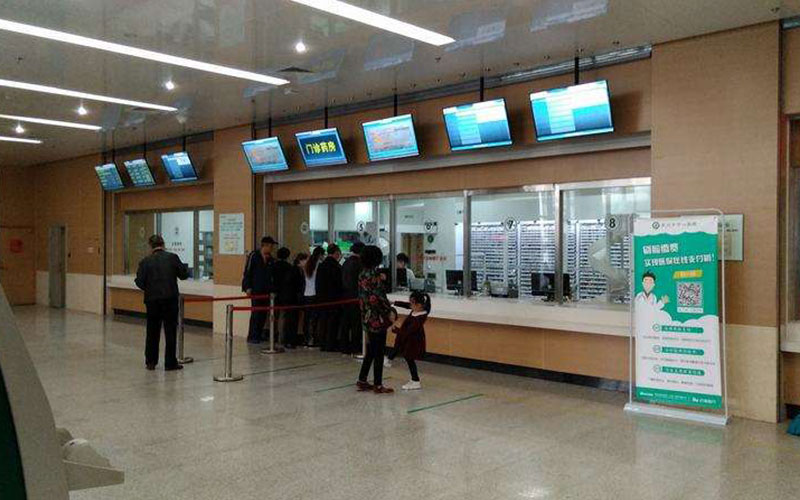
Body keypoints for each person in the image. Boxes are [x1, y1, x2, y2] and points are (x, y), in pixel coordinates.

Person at [134, 234, 189, 371]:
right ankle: (170, 363)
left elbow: (139, 282)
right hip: (170, 300)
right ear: (163, 244)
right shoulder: (172, 258)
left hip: (152, 301)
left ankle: (151, 362)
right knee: (170, 331)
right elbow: (183, 275)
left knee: (152, 331)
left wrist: (149, 288)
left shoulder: (145, 261)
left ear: (150, 246)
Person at [357, 245, 394, 394]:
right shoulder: (374, 275)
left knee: (372, 349)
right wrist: (389, 310)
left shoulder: (362, 273)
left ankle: (362, 379)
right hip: (377, 317)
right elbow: (379, 297)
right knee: (379, 351)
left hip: (366, 315)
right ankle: (378, 384)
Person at [385, 291, 430, 390]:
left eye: (412, 303)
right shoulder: (416, 309)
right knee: (405, 354)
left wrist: (395, 329)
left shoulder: (420, 317)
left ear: (418, 305)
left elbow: (409, 331)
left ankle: (415, 381)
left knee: (409, 358)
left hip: (413, 341)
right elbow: (406, 305)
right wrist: (394, 302)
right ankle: (390, 359)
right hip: (407, 337)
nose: (410, 305)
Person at [242, 236, 277, 344]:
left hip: (266, 291)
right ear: (265, 245)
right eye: (270, 246)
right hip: (256, 290)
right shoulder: (254, 256)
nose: (272, 249)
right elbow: (247, 272)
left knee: (263, 314)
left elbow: (272, 276)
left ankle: (259, 333)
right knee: (256, 313)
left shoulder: (271, 259)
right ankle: (252, 335)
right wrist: (247, 287)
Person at [316, 244, 343, 352]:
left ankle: (322, 343)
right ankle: (330, 344)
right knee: (332, 323)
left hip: (322, 299)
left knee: (323, 321)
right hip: (334, 299)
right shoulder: (336, 267)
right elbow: (339, 284)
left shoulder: (321, 266)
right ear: (336, 253)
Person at [339, 242, 365, 355]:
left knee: (345, 323)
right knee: (356, 324)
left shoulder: (346, 262)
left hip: (345, 297)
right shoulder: (360, 264)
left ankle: (344, 346)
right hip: (356, 297)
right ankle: (355, 346)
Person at [273, 247, 298, 348]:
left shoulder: (273, 265)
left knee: (274, 316)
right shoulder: (289, 267)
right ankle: (281, 338)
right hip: (285, 294)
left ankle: (273, 336)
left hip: (274, 294)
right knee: (283, 316)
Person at [303, 246, 324, 347]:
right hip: (315, 294)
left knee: (307, 318)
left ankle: (306, 339)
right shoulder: (319, 265)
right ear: (320, 255)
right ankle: (313, 339)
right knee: (314, 319)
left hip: (306, 294)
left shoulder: (307, 264)